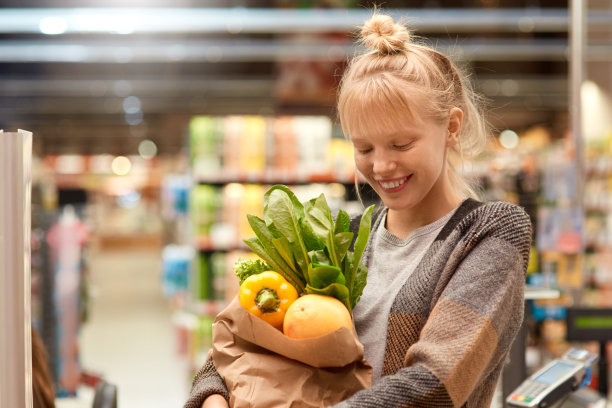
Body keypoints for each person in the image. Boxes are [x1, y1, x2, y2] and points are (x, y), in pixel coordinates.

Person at [185, 11, 532, 408]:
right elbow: (237, 339)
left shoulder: (488, 234)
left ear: (452, 127)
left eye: (401, 145)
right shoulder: (340, 238)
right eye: (364, 148)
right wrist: (212, 394)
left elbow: (436, 382)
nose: (380, 167)